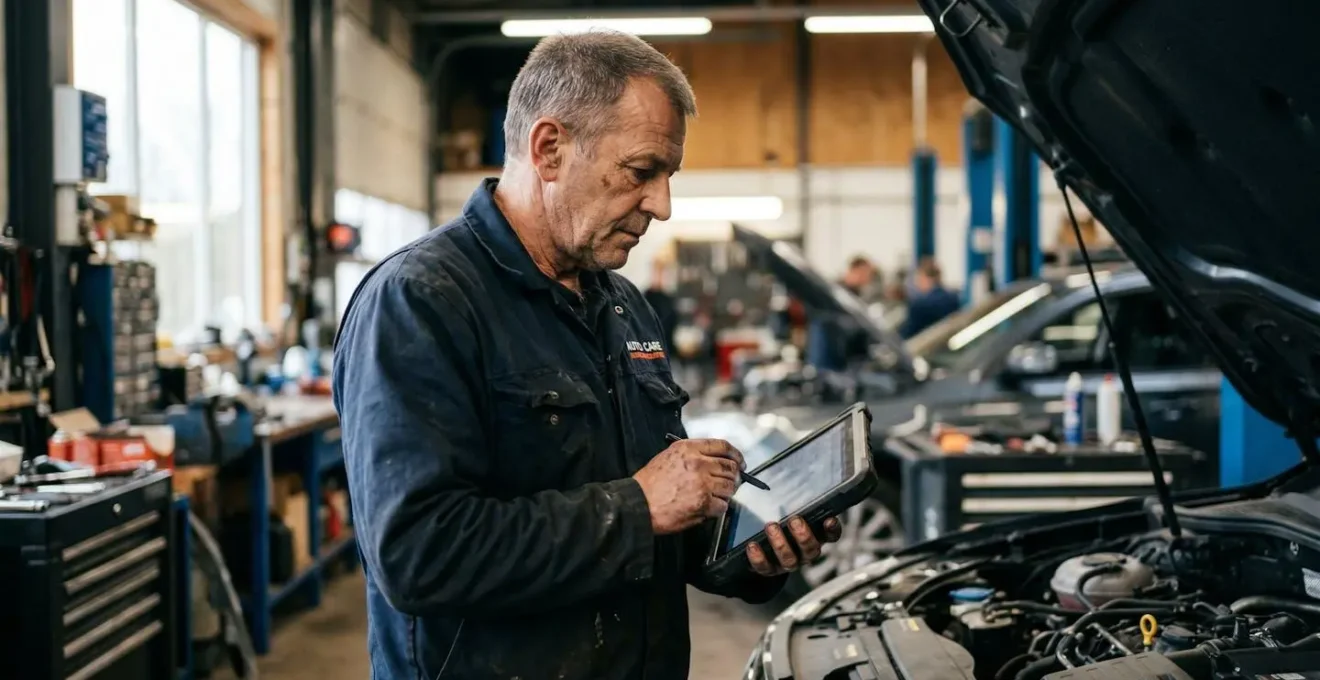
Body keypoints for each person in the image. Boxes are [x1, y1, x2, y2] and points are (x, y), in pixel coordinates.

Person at [333, 31, 840, 680]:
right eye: (641, 172)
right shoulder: (421, 302)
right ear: (549, 149)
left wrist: (750, 550)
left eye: (668, 177)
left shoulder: (622, 303)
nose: (662, 205)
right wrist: (635, 507)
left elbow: (663, 525)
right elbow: (417, 554)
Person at [806, 255, 878, 371]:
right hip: (827, 359)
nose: (867, 279)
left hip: (843, 361)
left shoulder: (855, 297)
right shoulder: (833, 294)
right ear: (854, 270)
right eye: (865, 274)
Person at [899, 257, 961, 338]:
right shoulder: (953, 298)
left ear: (925, 278)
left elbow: (908, 333)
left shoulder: (919, 305)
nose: (917, 283)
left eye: (919, 278)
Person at [643, 256, 678, 354]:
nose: (662, 276)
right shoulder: (644, 299)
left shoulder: (668, 298)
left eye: (664, 273)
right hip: (651, 350)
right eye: (658, 272)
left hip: (668, 349)